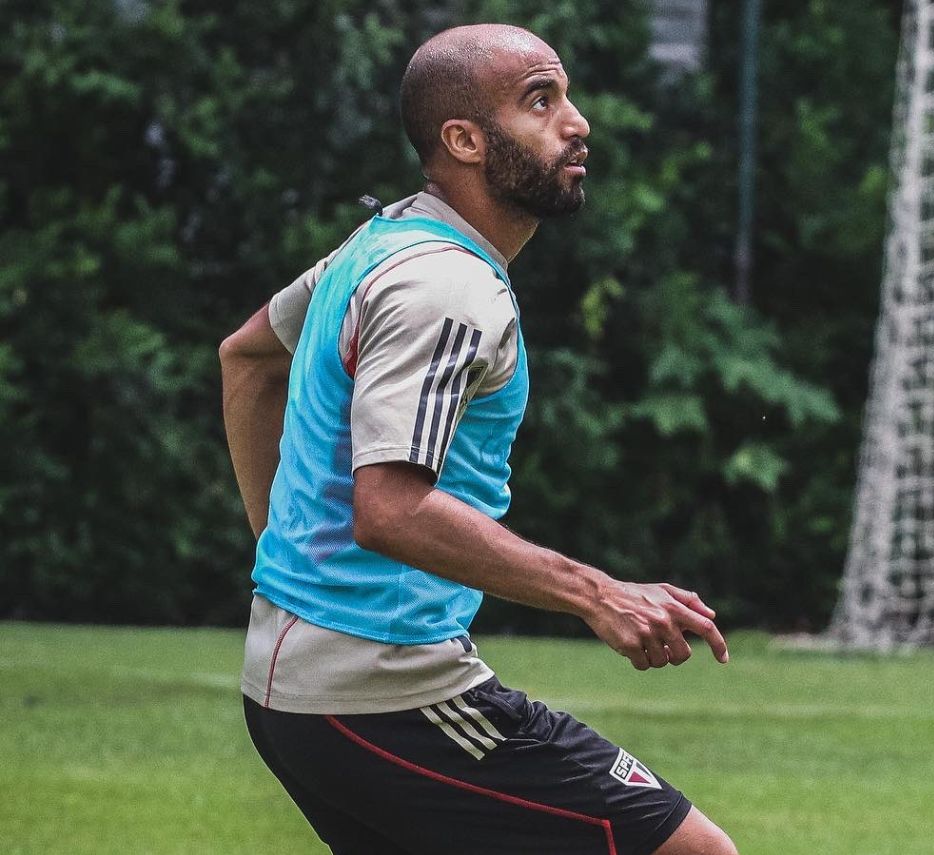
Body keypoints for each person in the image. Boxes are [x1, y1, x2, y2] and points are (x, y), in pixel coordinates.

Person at [219, 23, 739, 855]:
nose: (577, 122)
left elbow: (246, 359)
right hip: (382, 691)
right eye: (540, 101)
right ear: (463, 140)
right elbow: (390, 508)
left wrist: (287, 564)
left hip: (300, 682)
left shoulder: (381, 244)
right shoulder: (447, 286)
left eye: (566, 96)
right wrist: (598, 593)